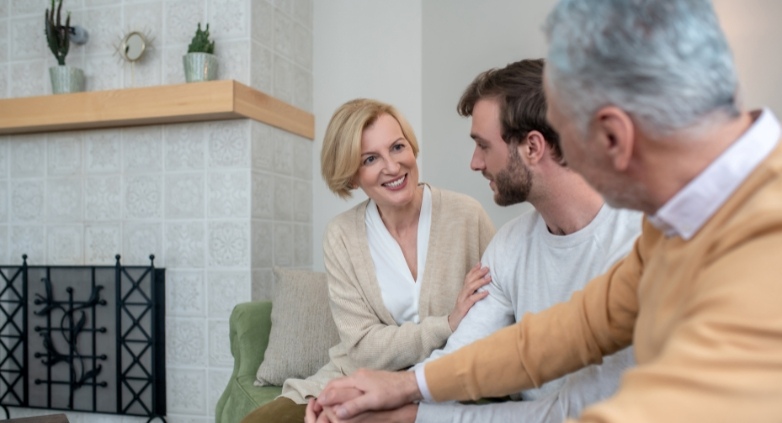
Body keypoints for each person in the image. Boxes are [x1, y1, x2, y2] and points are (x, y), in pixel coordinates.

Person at [312, 0, 782, 422]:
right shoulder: (678, 225)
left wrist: (406, 417)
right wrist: (403, 387)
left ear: (613, 136)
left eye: (567, 131)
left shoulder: (763, 249)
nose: (567, 155)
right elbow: (564, 334)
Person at [307, 59, 642, 423]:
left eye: (483, 145)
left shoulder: (641, 242)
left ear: (532, 147)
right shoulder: (510, 245)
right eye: (370, 158)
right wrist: (386, 396)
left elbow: (575, 410)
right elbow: (461, 357)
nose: (474, 163)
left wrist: (404, 411)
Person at [240, 98, 496, 422]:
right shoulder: (342, 235)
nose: (392, 166)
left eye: (398, 147)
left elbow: (501, 309)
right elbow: (363, 347)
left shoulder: (466, 215)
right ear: (351, 176)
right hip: (358, 377)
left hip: (448, 377)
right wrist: (446, 323)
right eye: (370, 158)